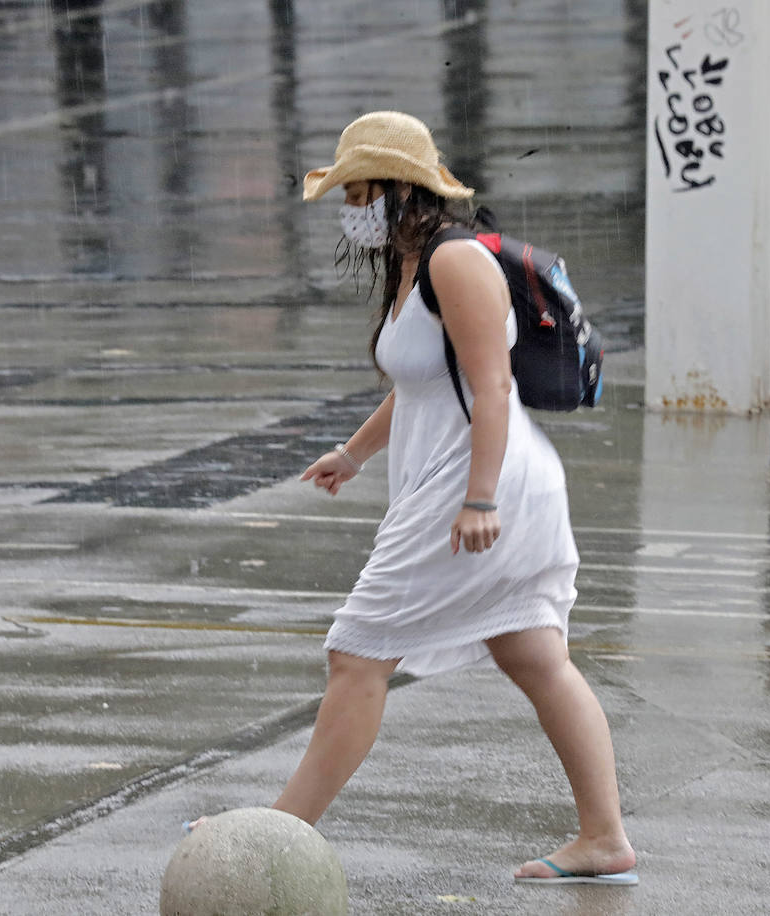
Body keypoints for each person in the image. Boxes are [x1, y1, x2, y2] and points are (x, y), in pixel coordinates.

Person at [285, 111, 636, 885]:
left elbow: (491, 384)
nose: (351, 209)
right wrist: (353, 452)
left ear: (398, 188)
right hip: (465, 479)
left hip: (481, 485)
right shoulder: (411, 262)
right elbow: (420, 385)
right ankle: (605, 839)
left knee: (357, 654)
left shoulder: (455, 262)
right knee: (535, 653)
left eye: (357, 192)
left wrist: (479, 500)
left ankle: (277, 833)